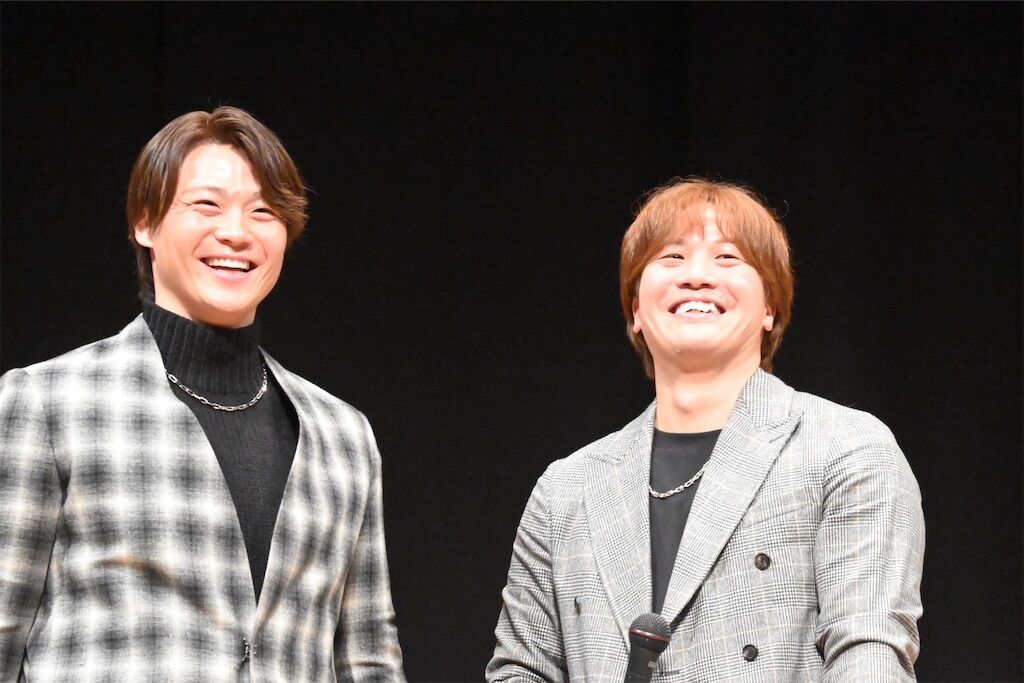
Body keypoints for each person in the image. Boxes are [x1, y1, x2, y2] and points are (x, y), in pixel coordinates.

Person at [0, 106, 405, 681]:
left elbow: (369, 658)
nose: (236, 232)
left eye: (263, 211)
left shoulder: (343, 435)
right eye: (207, 205)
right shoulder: (49, 403)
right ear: (145, 223)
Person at [487, 178, 924, 681]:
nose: (696, 276)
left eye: (727, 258)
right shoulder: (567, 489)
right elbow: (521, 670)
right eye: (672, 257)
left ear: (770, 308)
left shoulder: (845, 448)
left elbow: (869, 650)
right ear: (636, 309)